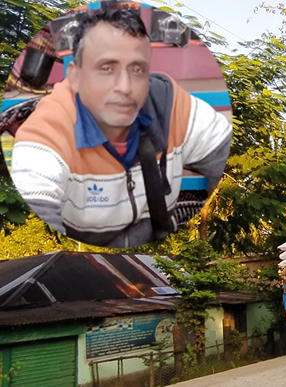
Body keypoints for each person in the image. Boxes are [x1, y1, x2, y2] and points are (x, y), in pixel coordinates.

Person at [10, 9, 231, 248]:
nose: (125, 87)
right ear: (75, 76)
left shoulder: (171, 103)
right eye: (106, 68)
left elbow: (220, 152)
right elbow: (38, 195)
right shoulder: (45, 134)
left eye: (137, 70)